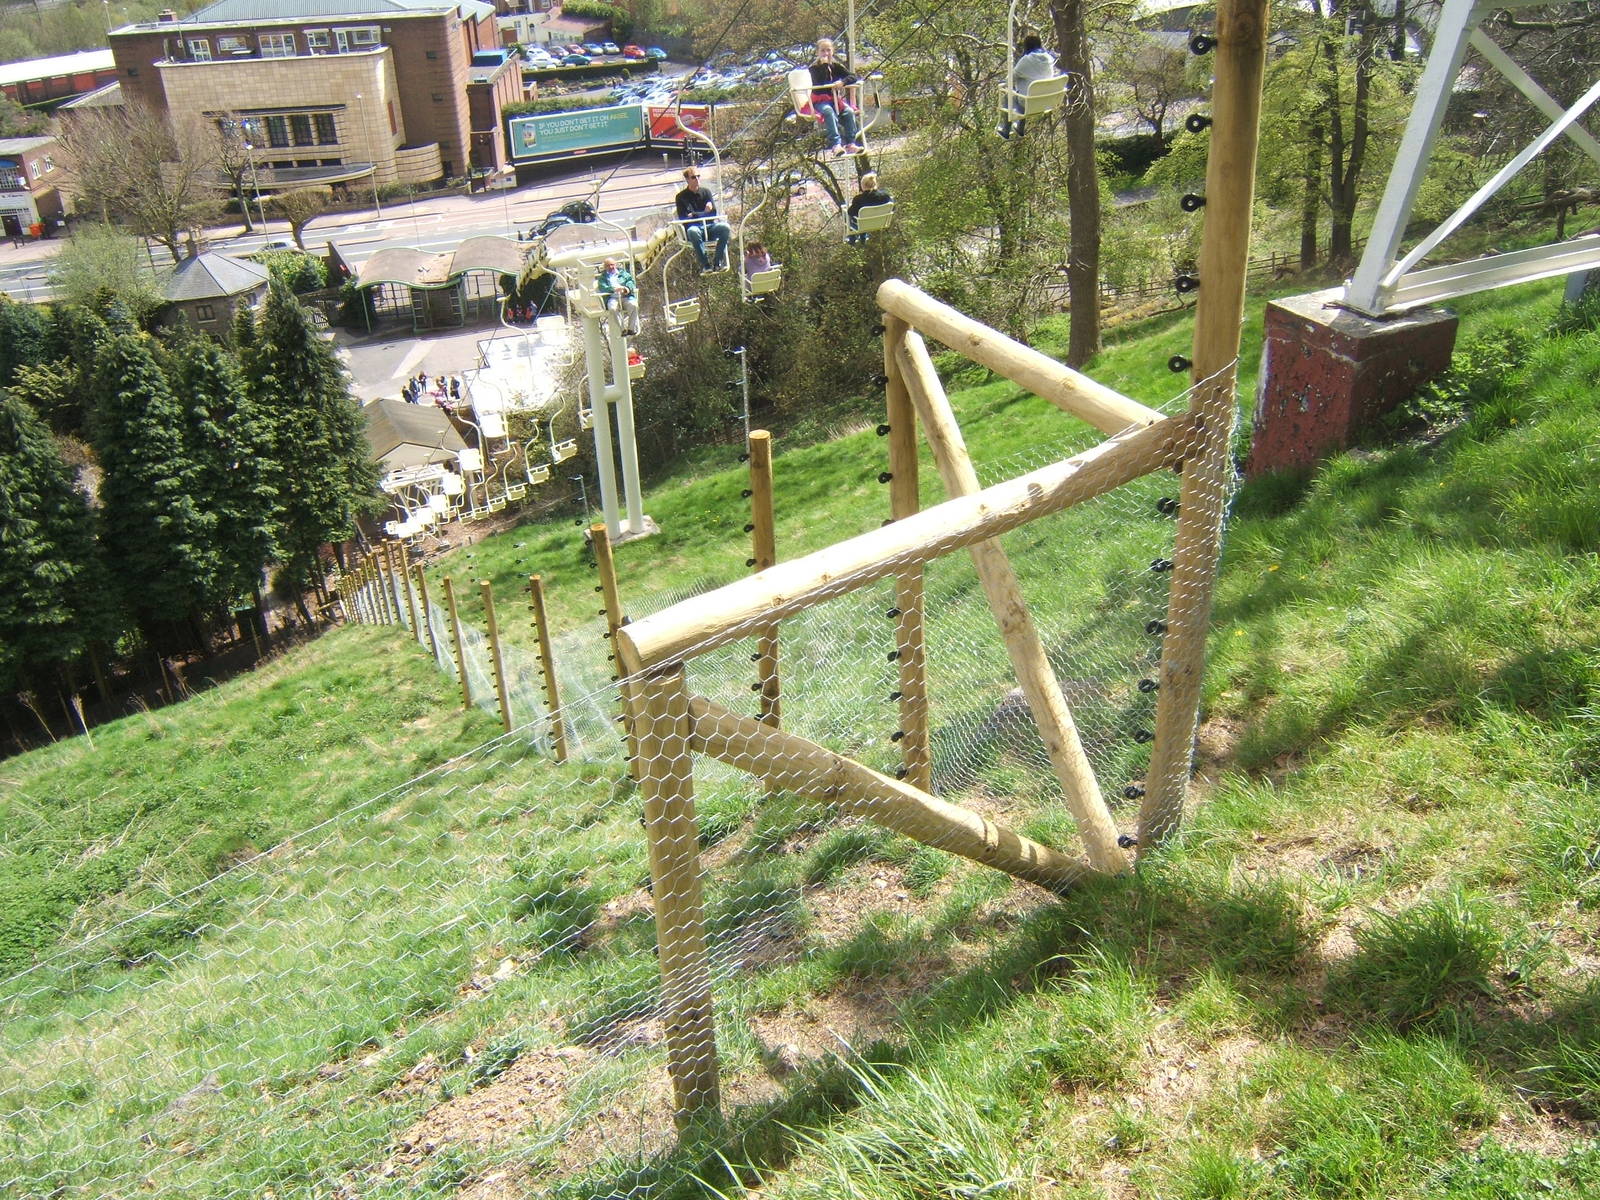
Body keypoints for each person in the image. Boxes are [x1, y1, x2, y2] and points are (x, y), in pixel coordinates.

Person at [808, 38, 862, 155]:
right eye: (823, 51)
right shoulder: (813, 69)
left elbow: (852, 77)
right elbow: (820, 82)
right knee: (828, 111)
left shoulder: (836, 66)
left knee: (848, 112)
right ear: (818, 52)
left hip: (834, 100)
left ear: (832, 51)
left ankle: (850, 143)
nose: (826, 53)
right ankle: (835, 144)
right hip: (820, 100)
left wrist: (842, 82)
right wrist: (824, 65)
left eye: (828, 50)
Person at [998, 34, 1058, 139]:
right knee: (1025, 91)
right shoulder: (1049, 59)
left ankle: (1006, 129)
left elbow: (1010, 79)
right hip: (1045, 102)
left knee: (1009, 96)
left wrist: (1004, 81)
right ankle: (1020, 127)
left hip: (1028, 103)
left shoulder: (1026, 60)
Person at [674, 166, 730, 271]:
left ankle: (717, 262)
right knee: (693, 231)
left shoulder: (706, 192)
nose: (697, 179)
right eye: (693, 177)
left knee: (725, 227)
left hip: (709, 227)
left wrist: (694, 214)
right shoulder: (681, 197)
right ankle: (706, 265)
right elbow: (684, 217)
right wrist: (705, 212)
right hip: (695, 229)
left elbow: (713, 213)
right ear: (687, 179)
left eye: (698, 176)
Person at [595, 256, 641, 334]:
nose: (611, 267)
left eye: (612, 264)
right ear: (605, 267)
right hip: (612, 297)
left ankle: (631, 329)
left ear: (615, 265)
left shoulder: (623, 273)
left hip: (626, 296)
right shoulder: (603, 277)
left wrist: (626, 288)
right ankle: (622, 329)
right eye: (608, 265)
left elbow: (630, 282)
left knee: (634, 305)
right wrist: (613, 289)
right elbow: (602, 287)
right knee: (612, 308)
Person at [846, 172, 893, 244]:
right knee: (863, 218)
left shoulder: (859, 199)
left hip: (864, 225)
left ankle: (852, 240)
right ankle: (863, 239)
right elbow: (892, 207)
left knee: (851, 217)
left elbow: (851, 212)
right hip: (881, 222)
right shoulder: (885, 196)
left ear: (863, 185)